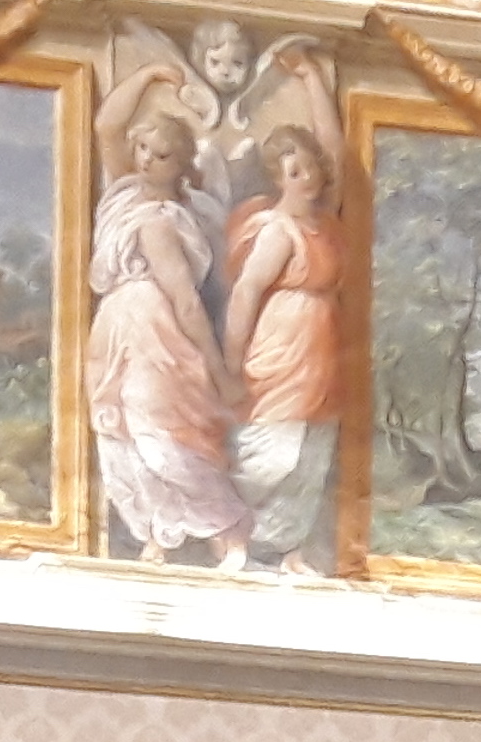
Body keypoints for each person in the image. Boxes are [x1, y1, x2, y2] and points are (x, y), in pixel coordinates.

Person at [84, 101, 249, 565]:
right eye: (142, 148)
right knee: (121, 437)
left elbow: (186, 302)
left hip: (156, 334)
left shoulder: (161, 221)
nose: (145, 161)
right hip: (115, 329)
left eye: (160, 155)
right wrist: (156, 70)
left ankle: (228, 525)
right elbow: (106, 124)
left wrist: (219, 372)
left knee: (160, 438)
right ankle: (158, 532)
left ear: (180, 164)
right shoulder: (124, 197)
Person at [220, 123, 346, 571]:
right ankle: (229, 532)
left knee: (311, 457)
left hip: (320, 355)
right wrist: (232, 362)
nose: (306, 178)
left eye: (311, 167)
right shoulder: (277, 230)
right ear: (278, 178)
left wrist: (314, 86)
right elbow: (246, 291)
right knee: (272, 456)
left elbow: (336, 148)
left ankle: (286, 549)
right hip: (280, 353)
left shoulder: (325, 225)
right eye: (294, 172)